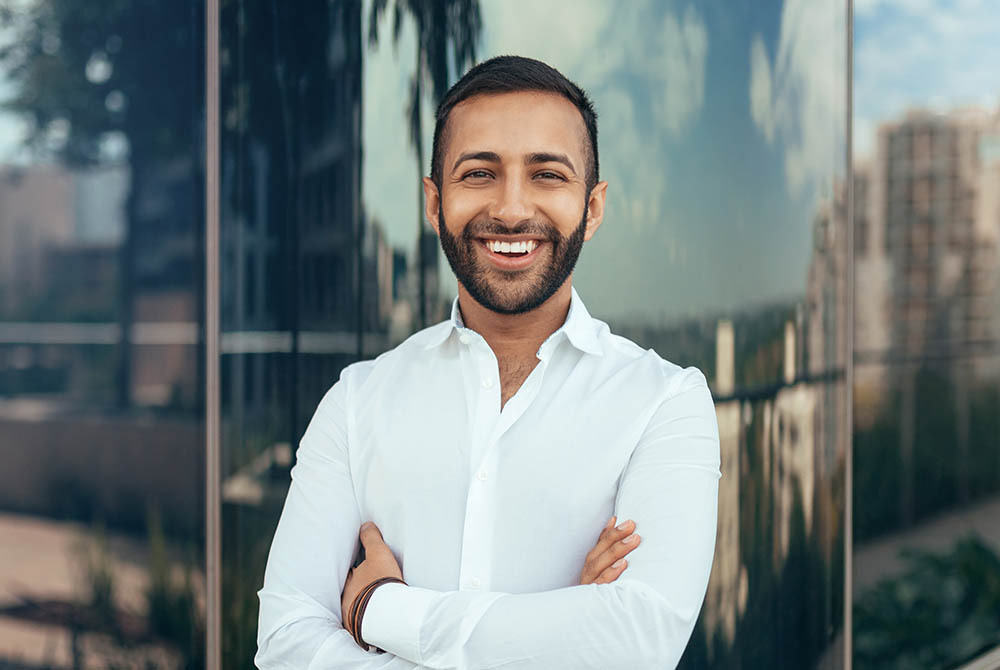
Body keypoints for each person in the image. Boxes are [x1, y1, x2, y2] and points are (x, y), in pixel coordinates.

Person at [255, 55, 721, 670]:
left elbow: (636, 642)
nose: (510, 209)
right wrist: (558, 635)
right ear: (433, 200)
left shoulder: (665, 404)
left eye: (547, 175)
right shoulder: (356, 402)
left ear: (594, 205)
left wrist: (378, 610)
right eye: (479, 173)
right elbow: (286, 642)